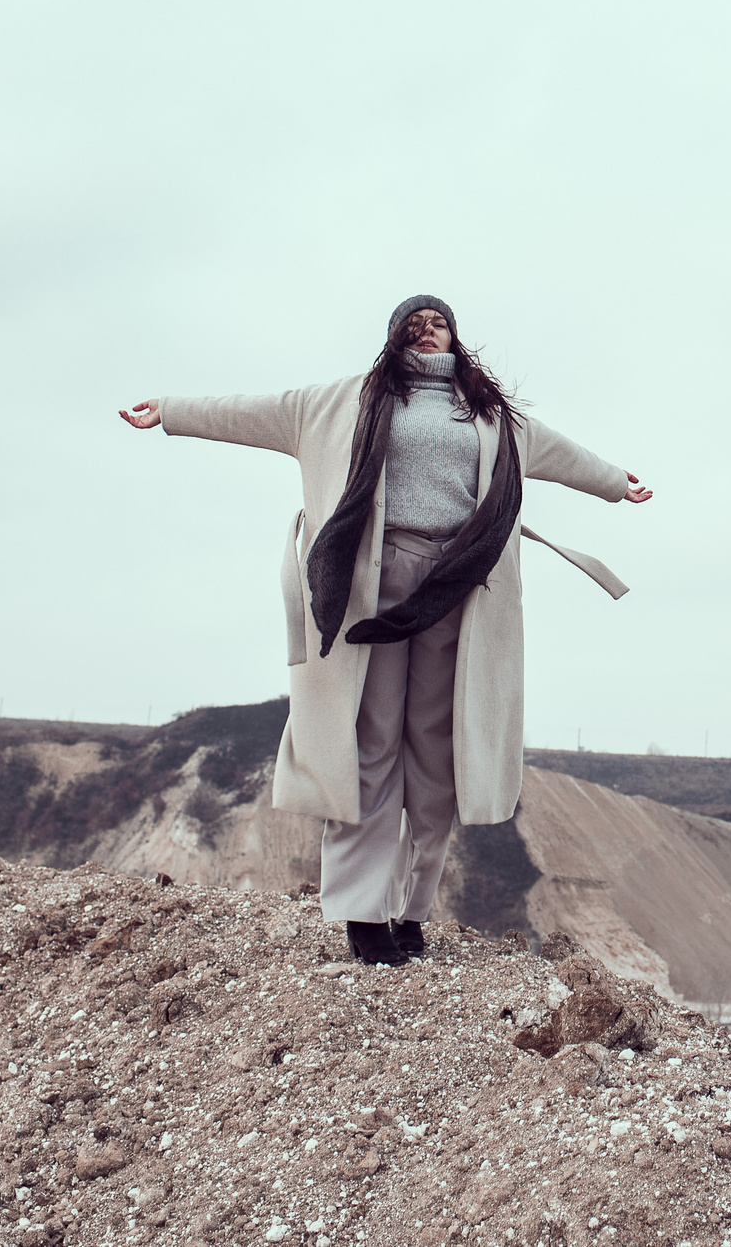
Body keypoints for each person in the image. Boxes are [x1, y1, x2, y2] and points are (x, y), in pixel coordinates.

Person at [120, 296, 651, 965]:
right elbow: (251, 412)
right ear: (394, 337)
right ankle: (363, 913)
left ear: (455, 336)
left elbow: (561, 454)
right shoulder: (339, 403)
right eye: (414, 324)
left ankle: (413, 909)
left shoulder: (493, 415)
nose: (427, 331)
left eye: (438, 323)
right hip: (368, 589)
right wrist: (169, 411)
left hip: (458, 588)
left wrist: (615, 484)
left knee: (436, 752)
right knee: (369, 743)